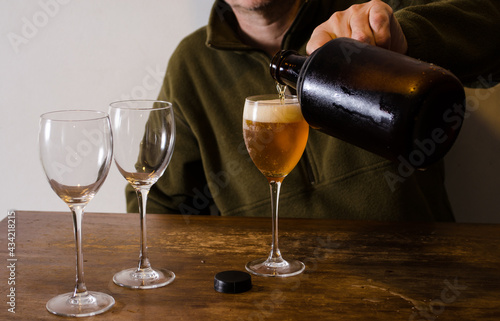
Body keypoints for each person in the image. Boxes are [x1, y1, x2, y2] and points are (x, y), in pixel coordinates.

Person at [126, 0, 500, 221]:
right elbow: (158, 202)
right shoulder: (191, 64)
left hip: (415, 281)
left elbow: (491, 27)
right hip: (270, 294)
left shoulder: (364, 17)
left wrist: (401, 36)